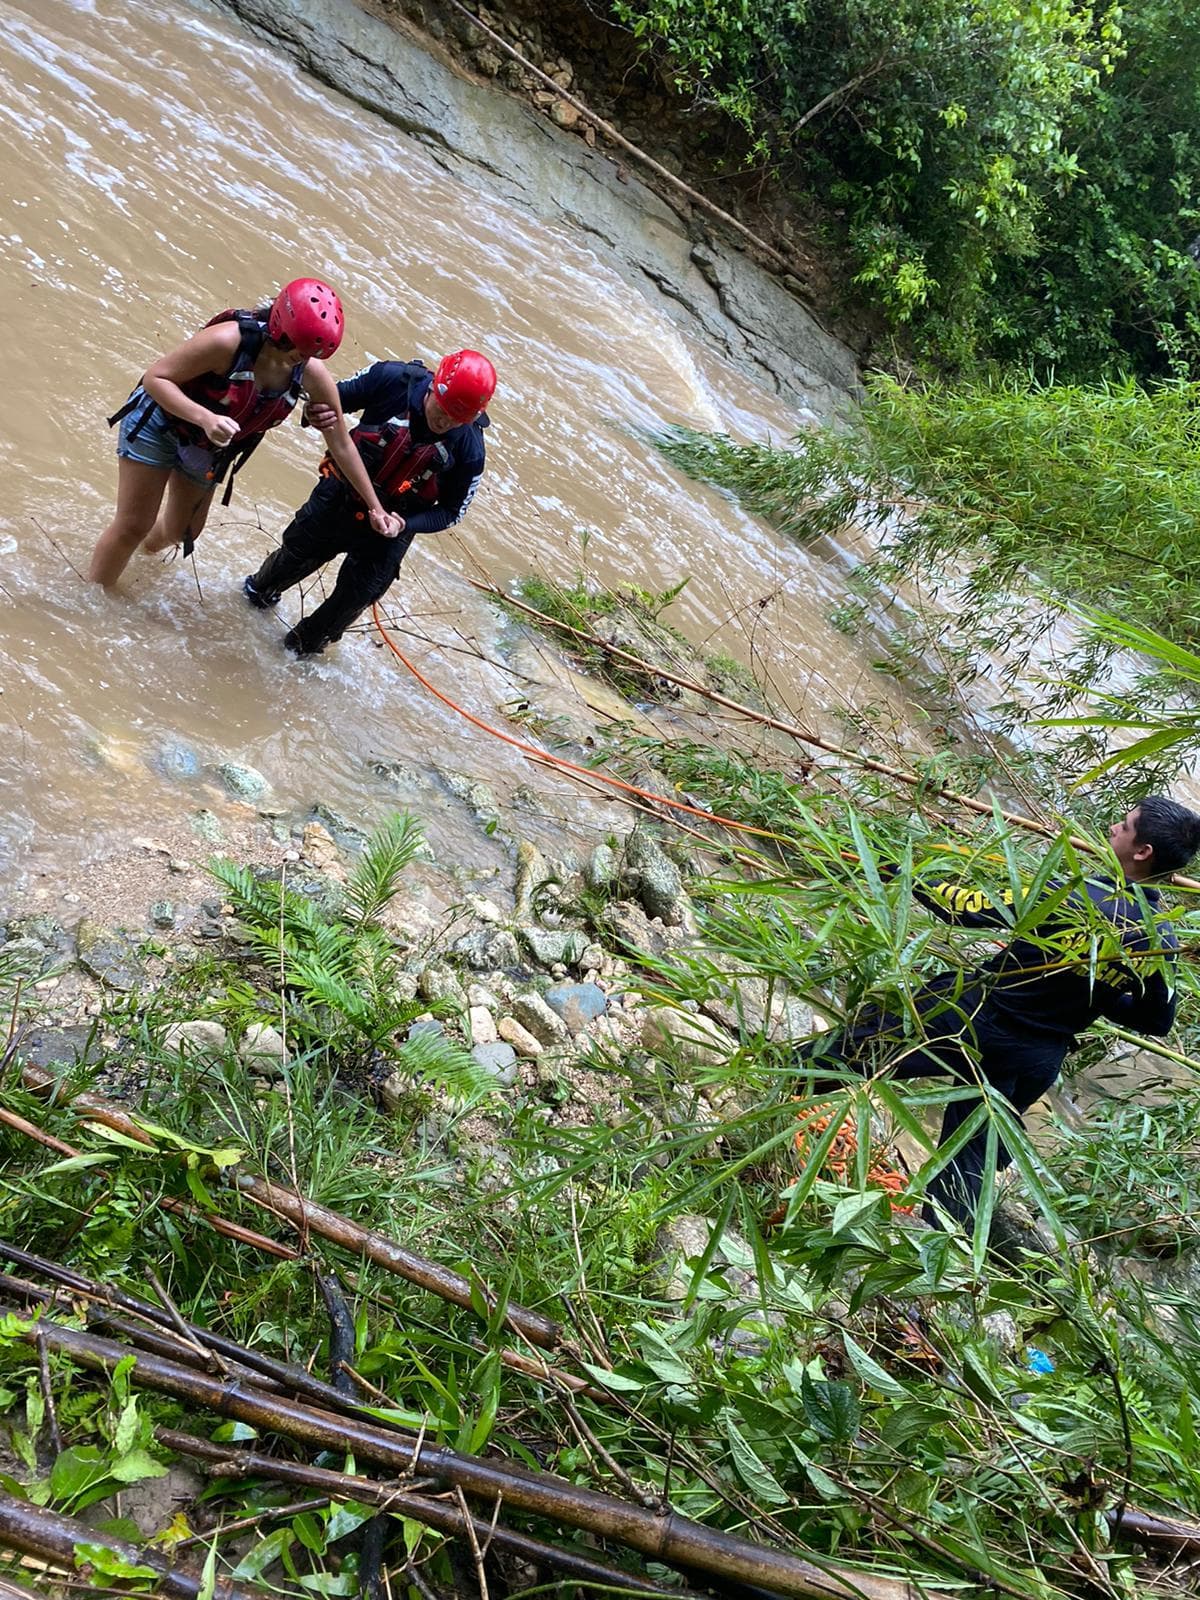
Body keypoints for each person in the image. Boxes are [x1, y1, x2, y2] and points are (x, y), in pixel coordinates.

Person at [800, 796, 1200, 1227]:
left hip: (972, 1016)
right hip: (1036, 1058)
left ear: (1142, 852)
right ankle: (941, 1251)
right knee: (969, 1157)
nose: (1112, 829)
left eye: (1124, 826)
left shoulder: (1067, 894)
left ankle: (761, 1095)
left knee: (848, 1053)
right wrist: (1097, 992)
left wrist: (898, 870)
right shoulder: (1161, 938)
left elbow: (962, 908)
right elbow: (1156, 1020)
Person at [88, 279, 398, 588]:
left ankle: (143, 553)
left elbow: (342, 444)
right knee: (133, 524)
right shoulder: (227, 342)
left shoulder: (312, 374)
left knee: (184, 532)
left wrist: (376, 507)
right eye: (298, 347)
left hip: (207, 447)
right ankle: (93, 598)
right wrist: (206, 418)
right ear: (280, 327)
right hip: (159, 424)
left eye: (310, 353)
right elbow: (155, 378)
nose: (300, 358)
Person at [240, 349, 495, 657]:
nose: (444, 421)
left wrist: (404, 524)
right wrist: (312, 413)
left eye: (457, 419)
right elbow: (330, 399)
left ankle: (296, 655)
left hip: (390, 531)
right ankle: (249, 606)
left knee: (347, 606)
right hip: (339, 498)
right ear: (432, 387)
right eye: (441, 409)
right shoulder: (391, 379)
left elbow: (452, 512)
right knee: (275, 575)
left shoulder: (470, 451)